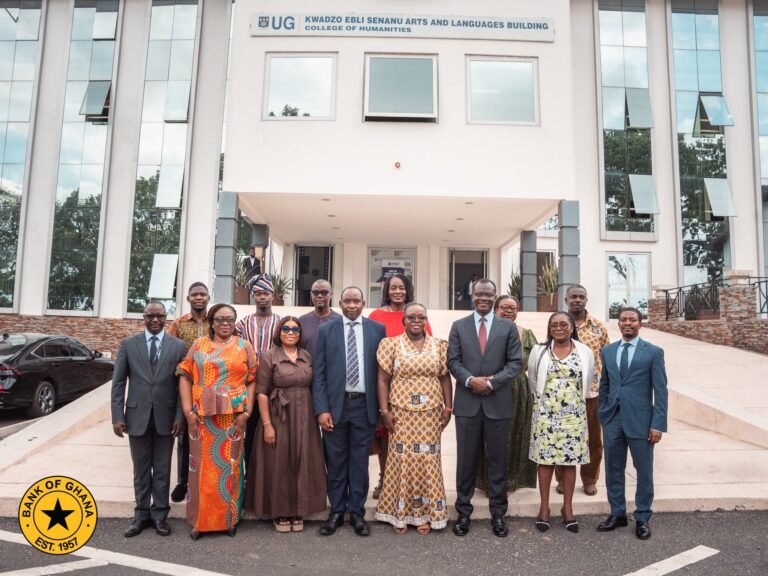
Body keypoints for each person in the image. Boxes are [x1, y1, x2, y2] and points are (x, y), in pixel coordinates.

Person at [447, 278, 522, 538]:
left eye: (488, 295)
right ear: (472, 295)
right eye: (479, 294)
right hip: (467, 404)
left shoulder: (507, 328)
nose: (483, 298)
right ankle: (463, 512)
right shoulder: (459, 326)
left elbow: (515, 364)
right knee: (465, 461)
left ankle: (498, 514)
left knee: (497, 461)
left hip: (497, 403)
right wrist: (470, 381)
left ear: (494, 297)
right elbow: (453, 361)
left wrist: (491, 383)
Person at [177, 303, 257, 540]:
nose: (225, 324)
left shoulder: (244, 346)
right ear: (211, 322)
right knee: (201, 470)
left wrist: (246, 414)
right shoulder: (198, 345)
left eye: (230, 320)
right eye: (220, 319)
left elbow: (252, 380)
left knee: (231, 468)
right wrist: (188, 412)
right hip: (201, 418)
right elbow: (185, 376)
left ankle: (228, 520)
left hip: (233, 418)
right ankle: (199, 522)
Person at [312, 286, 386, 536]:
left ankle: (356, 512)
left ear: (363, 303)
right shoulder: (326, 330)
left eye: (356, 301)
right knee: (335, 460)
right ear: (340, 303)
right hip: (335, 407)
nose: (352, 305)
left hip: (364, 406)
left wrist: (381, 409)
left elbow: (382, 373)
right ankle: (336, 511)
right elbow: (319, 373)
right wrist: (322, 409)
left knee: (359, 462)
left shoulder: (377, 330)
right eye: (347, 301)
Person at [374, 303, 452, 534]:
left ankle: (426, 514)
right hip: (401, 413)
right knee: (401, 459)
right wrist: (384, 411)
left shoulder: (439, 346)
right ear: (404, 320)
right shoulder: (390, 345)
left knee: (428, 460)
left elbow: (445, 378)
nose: (416, 321)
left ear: (426, 320)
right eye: (411, 317)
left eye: (421, 317)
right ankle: (400, 514)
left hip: (430, 413)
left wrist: (448, 408)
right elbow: (382, 380)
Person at [111, 301, 187, 538]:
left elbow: (183, 385)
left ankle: (159, 516)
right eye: (150, 316)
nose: (155, 320)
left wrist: (180, 416)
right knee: (141, 469)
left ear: (166, 318)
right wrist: (117, 416)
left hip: (167, 418)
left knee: (162, 469)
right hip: (136, 417)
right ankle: (141, 515)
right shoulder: (128, 345)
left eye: (160, 316)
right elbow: (118, 383)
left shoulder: (178, 346)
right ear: (143, 317)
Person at [245, 317, 327, 532]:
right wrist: (267, 425)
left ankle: (298, 509)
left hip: (304, 415)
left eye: (295, 329)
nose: (291, 332)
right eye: (286, 328)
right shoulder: (270, 356)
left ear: (300, 333)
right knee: (279, 462)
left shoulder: (307, 356)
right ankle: (280, 511)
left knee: (302, 460)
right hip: (278, 415)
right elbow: (262, 393)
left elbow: (316, 385)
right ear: (279, 332)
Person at [597, 308, 668, 541]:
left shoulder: (653, 352)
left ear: (640, 323)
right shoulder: (607, 351)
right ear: (618, 323)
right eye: (623, 320)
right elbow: (605, 384)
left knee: (644, 471)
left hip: (642, 422)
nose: (628, 323)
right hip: (613, 420)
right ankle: (617, 513)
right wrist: (603, 413)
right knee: (613, 469)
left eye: (633, 320)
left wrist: (658, 425)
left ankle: (642, 517)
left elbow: (661, 391)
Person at [527, 311, 594, 534]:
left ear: (572, 327)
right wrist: (544, 403)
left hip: (573, 415)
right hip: (545, 414)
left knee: (569, 461)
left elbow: (588, 380)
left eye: (563, 324)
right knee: (545, 462)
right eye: (554, 324)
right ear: (549, 328)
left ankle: (568, 508)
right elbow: (533, 380)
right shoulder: (539, 351)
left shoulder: (584, 351)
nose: (558, 328)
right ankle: (544, 508)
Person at [367, 273, 432, 499]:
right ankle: (385, 479)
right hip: (384, 383)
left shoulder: (416, 315)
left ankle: (411, 483)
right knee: (386, 434)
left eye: (401, 287)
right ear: (386, 290)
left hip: (414, 387)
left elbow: (428, 349)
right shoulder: (376, 316)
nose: (397, 291)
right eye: (393, 287)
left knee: (413, 436)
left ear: (408, 290)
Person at [476, 295, 538, 492]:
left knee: (516, 434)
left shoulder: (526, 334)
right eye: (504, 307)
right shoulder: (484, 332)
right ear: (495, 309)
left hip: (519, 390)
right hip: (491, 389)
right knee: (491, 437)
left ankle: (512, 481)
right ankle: (489, 482)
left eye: (513, 308)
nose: (509, 311)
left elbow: (535, 363)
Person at [555, 284, 610, 497]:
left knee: (593, 439)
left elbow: (607, 358)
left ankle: (589, 479)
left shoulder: (598, 327)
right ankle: (562, 479)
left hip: (592, 393)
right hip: (564, 393)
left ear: (586, 300)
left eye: (581, 297)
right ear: (566, 300)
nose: (577, 300)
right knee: (562, 436)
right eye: (573, 297)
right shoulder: (558, 324)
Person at [166, 282, 210, 504]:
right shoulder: (178, 324)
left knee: (210, 435)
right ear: (188, 298)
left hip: (211, 386)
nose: (199, 298)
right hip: (186, 385)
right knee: (185, 436)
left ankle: (206, 479)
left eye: (202, 294)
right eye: (195, 295)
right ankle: (183, 482)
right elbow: (169, 351)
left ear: (208, 297)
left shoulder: (216, 321)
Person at [235, 273, 281, 471]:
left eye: (266, 293)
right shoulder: (242, 324)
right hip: (249, 387)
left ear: (272, 295)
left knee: (274, 431)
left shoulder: (281, 323)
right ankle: (250, 476)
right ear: (253, 296)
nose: (262, 297)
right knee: (251, 433)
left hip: (274, 387)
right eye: (258, 294)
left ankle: (271, 476)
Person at [298, 279, 340, 358]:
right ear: (311, 294)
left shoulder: (340, 321)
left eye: (324, 293)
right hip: (307, 365)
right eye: (315, 293)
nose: (319, 296)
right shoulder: (302, 320)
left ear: (331, 294)